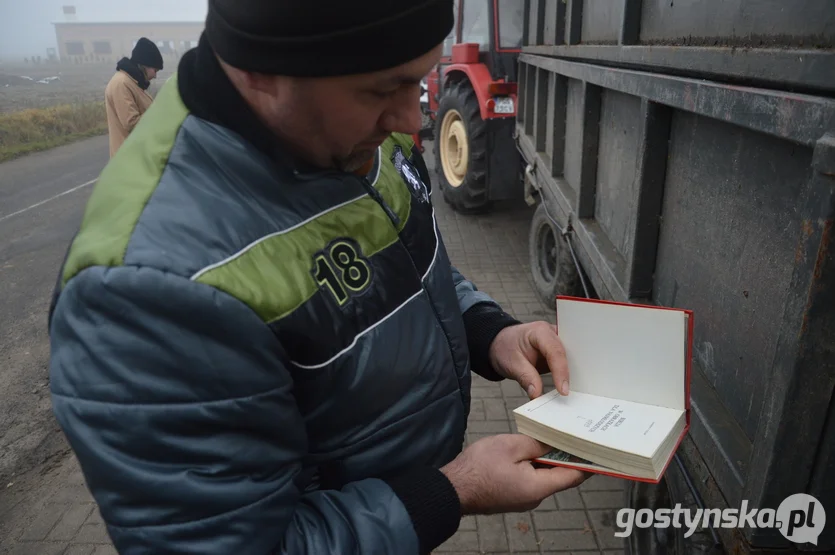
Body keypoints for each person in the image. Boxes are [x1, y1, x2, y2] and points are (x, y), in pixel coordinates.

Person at [47, 1, 589, 553]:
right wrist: (454, 490)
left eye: (417, 81)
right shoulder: (143, 293)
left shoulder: (354, 129)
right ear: (260, 68)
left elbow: (410, 258)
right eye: (383, 89)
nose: (411, 120)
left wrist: (489, 332)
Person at [104, 37, 163, 157]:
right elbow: (131, 123)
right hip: (129, 159)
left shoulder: (135, 83)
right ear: (144, 65)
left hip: (138, 155)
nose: (155, 76)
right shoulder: (122, 84)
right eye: (155, 70)